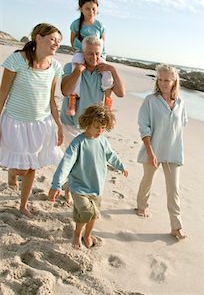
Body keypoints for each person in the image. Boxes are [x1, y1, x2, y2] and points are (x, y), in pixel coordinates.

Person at [0, 23, 64, 218]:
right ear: (38, 37)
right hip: (15, 122)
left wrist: (59, 125)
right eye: (52, 39)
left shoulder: (55, 66)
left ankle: (23, 205)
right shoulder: (17, 60)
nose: (56, 44)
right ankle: (12, 173)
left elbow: (52, 98)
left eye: (58, 41)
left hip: (41, 124)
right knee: (20, 168)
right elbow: (3, 93)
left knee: (31, 167)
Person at [48, 104, 128, 249]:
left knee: (94, 216)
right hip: (78, 186)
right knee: (86, 211)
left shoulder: (103, 141)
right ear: (87, 123)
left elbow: (111, 155)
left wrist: (121, 166)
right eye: (96, 127)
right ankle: (78, 234)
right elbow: (65, 164)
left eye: (103, 127)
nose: (100, 131)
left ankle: (87, 234)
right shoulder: (78, 143)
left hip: (96, 187)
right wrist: (56, 185)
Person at [60, 34, 125, 203]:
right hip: (71, 123)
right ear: (83, 53)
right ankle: (70, 190)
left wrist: (113, 70)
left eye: (97, 53)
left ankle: (70, 187)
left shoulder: (103, 72)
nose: (94, 57)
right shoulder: (70, 66)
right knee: (75, 159)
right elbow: (66, 91)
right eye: (90, 54)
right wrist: (78, 71)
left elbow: (121, 93)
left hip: (93, 126)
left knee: (85, 160)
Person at [136, 64, 188, 240]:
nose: (163, 83)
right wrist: (150, 152)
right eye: (160, 79)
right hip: (153, 151)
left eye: (167, 80)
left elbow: (183, 125)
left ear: (174, 82)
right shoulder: (150, 101)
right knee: (147, 180)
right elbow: (144, 128)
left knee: (174, 189)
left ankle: (176, 226)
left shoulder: (181, 103)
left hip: (173, 153)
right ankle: (141, 206)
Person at [67, 0, 114, 116]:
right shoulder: (76, 24)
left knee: (107, 72)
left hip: (97, 54)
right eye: (87, 9)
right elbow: (72, 41)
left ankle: (107, 102)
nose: (91, 12)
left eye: (94, 9)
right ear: (81, 9)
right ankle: (72, 99)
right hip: (81, 52)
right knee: (75, 67)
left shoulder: (100, 25)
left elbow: (102, 44)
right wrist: (82, 53)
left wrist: (99, 59)